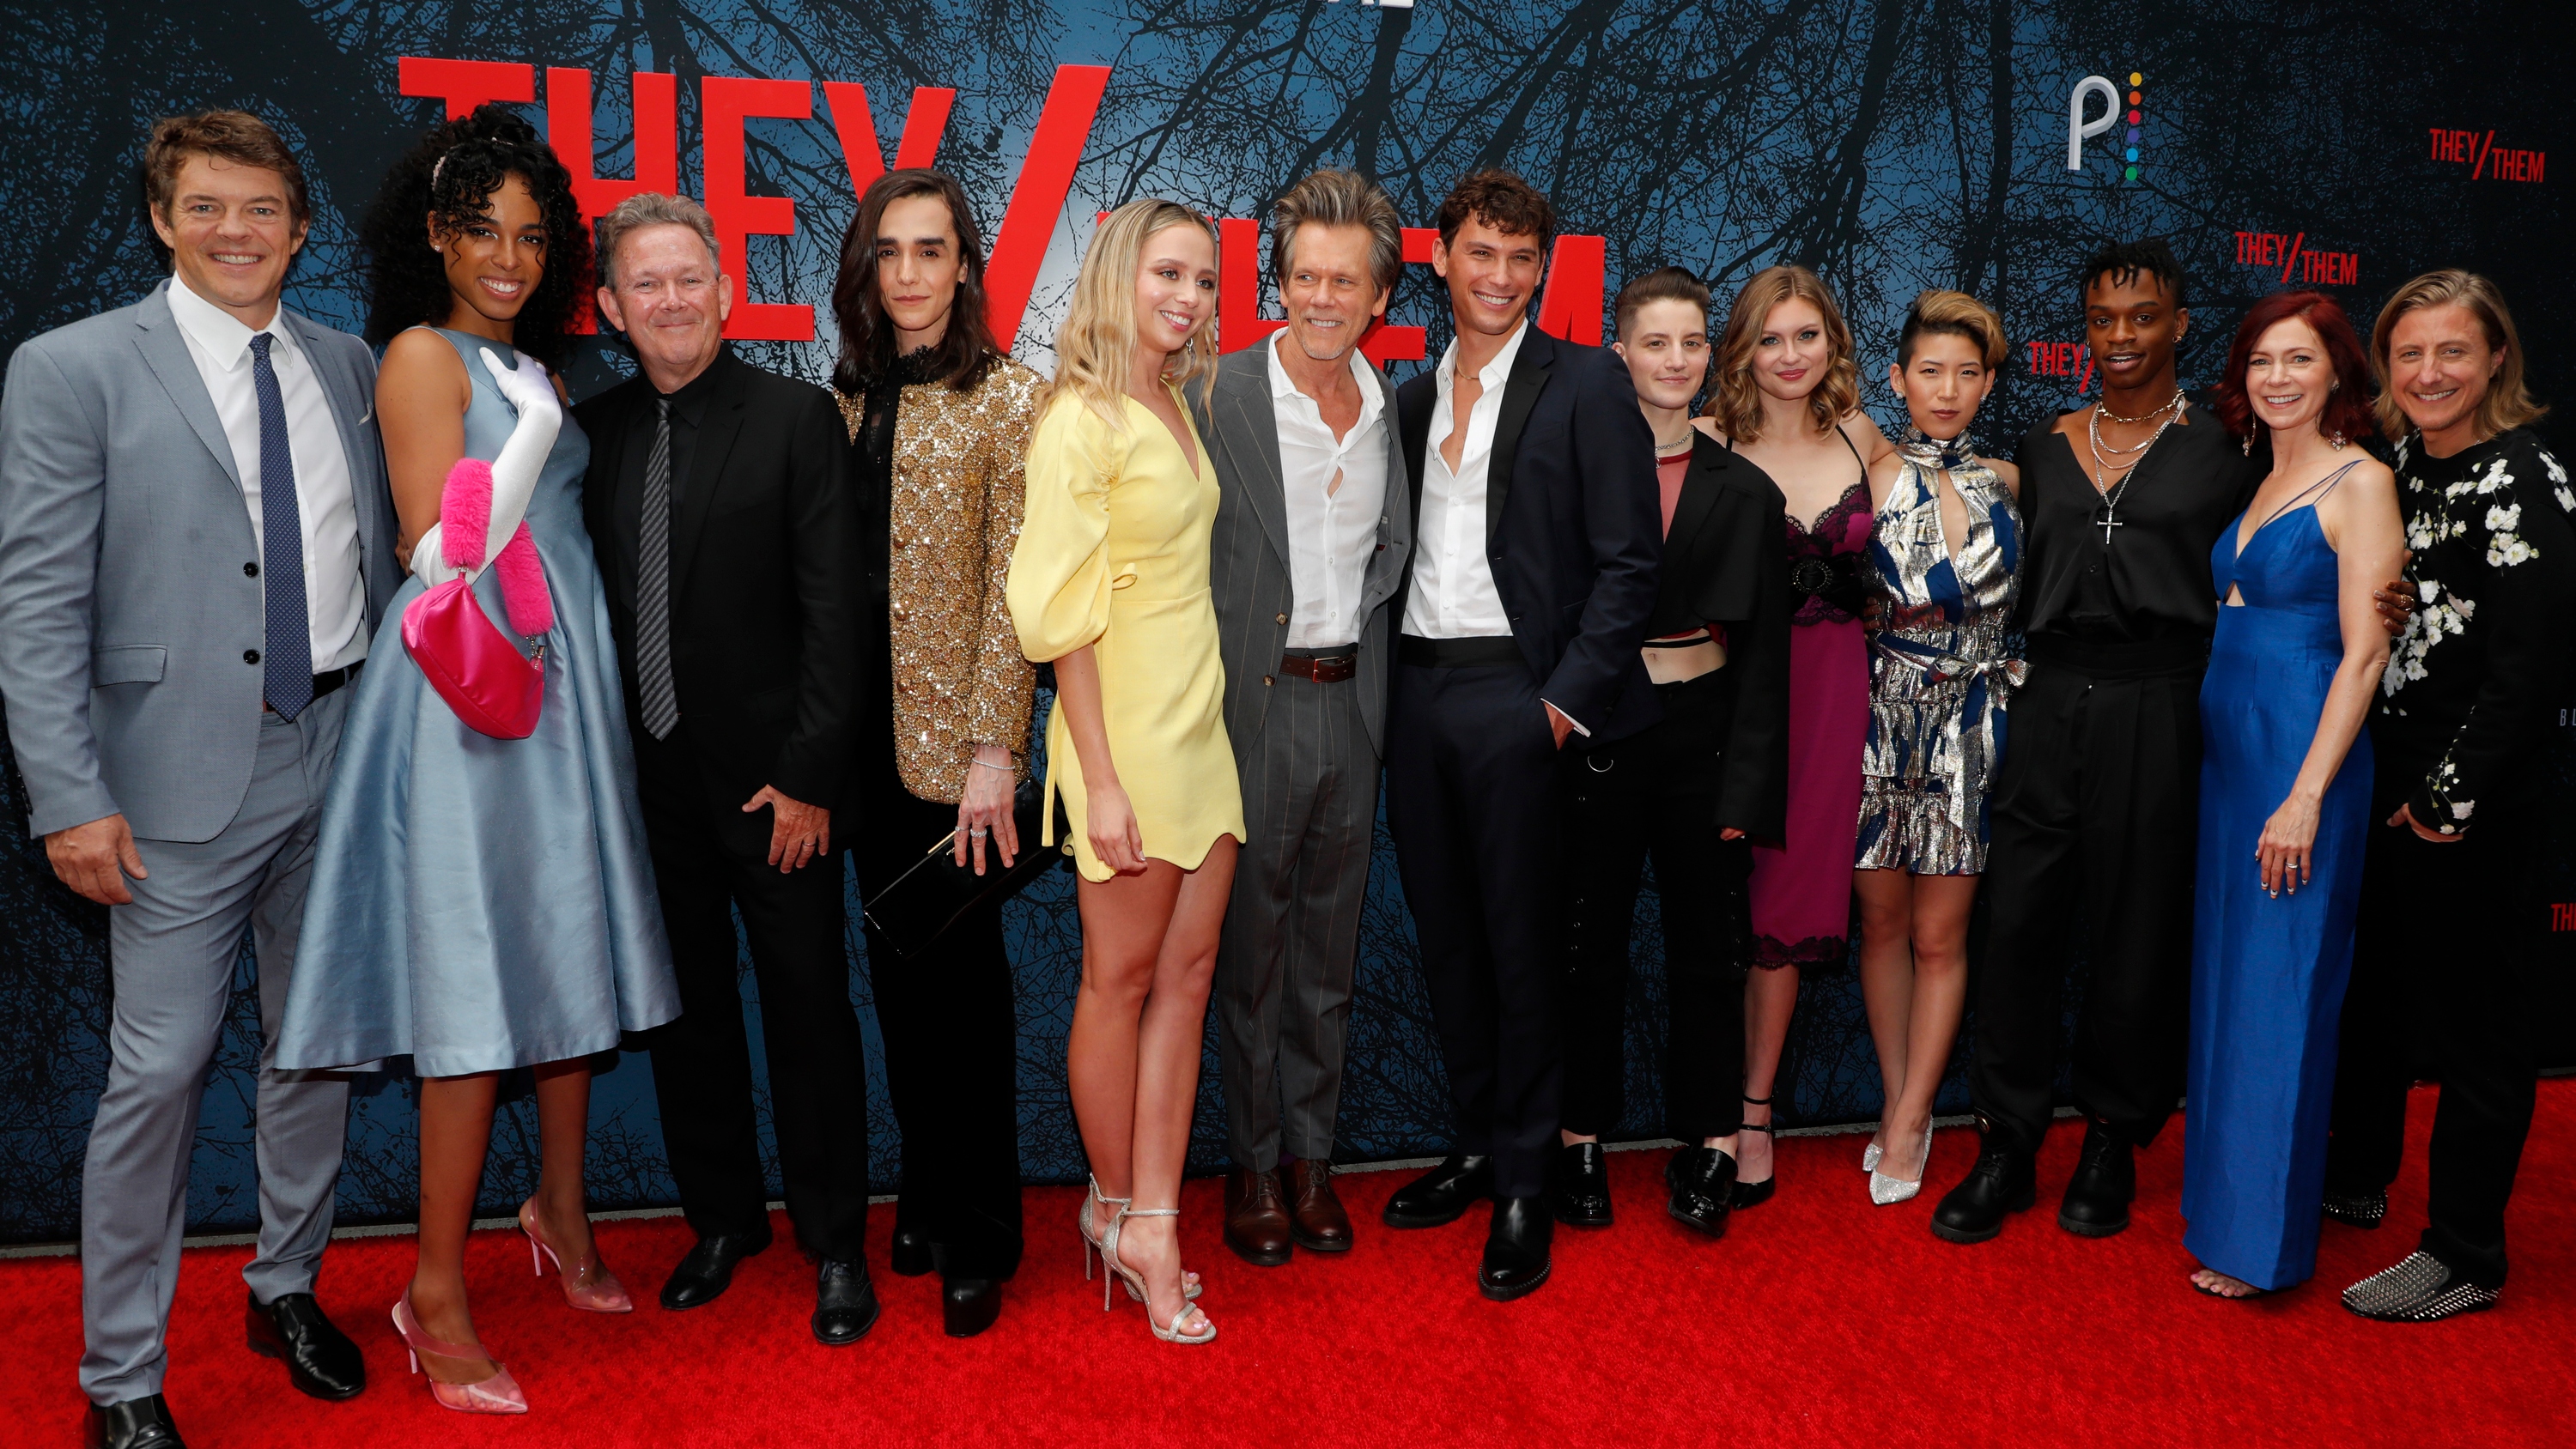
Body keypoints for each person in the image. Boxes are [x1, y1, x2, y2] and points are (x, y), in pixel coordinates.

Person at [274, 106, 678, 1413]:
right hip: (462, 703)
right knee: (471, 993)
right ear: (434, 238)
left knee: (564, 943)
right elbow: (437, 557)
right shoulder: (420, 358)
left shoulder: (538, 371)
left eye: (528, 234)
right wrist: (527, 445)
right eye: (480, 232)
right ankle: (431, 1291)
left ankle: (556, 1206)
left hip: (559, 698)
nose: (507, 257)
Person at [0, 109, 394, 1449]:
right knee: (156, 1075)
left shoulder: (346, 365)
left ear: (299, 224)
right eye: (209, 207)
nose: (239, 232)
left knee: (315, 1050)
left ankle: (283, 1285)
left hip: (337, 755)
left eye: (264, 208)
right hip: (165, 785)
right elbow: (38, 604)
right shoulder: (72, 369)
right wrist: (66, 795)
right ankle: (121, 1376)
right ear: (163, 220)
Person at [573, 193, 872, 1343]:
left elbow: (835, 616)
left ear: (726, 290)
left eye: (689, 277)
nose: (671, 301)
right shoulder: (590, 434)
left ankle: (835, 1244)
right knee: (685, 1014)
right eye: (645, 283)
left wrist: (808, 779)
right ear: (611, 306)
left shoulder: (797, 418)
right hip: (648, 788)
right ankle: (722, 1221)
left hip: (776, 790)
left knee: (807, 1010)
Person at [1931, 239, 2267, 1246]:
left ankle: (2116, 1134)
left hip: (2162, 699)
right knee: (2020, 923)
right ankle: (2006, 1140)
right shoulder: (2045, 441)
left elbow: (2307, 526)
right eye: (2103, 319)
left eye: (2143, 316)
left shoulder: (2227, 449)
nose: (2121, 336)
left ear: (2179, 323)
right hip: (2047, 695)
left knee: (2137, 928)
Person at [1377, 169, 1659, 1300]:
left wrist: (1559, 701)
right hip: (1418, 696)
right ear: (1438, 257)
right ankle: (1477, 1143)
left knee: (1524, 945)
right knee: (1448, 938)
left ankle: (1528, 1181)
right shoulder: (1404, 395)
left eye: (1520, 258)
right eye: (1479, 254)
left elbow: (1633, 563)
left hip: (1519, 697)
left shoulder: (1587, 383)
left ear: (1544, 270)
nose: (1499, 277)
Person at [1006, 197, 1243, 1345]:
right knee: (1119, 984)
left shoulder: (1176, 402)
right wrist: (1098, 781)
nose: (1188, 297)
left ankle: (1155, 1216)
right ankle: (1118, 1209)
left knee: (1186, 987)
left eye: (1202, 279)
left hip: (1202, 730)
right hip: (1128, 743)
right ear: (1117, 275)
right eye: (1167, 273)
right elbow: (1062, 623)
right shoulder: (1082, 420)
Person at [2328, 271, 2575, 1321]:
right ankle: (2357, 1170)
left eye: (2452, 353)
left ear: (2497, 361)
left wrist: (2448, 796)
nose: (2429, 373)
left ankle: (2465, 1250)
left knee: (2479, 1024)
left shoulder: (2530, 478)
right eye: (2409, 354)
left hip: (2474, 789)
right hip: (2384, 769)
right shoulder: (2396, 468)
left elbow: (2534, 669)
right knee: (2378, 988)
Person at [828, 167, 1040, 1337]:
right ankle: (920, 1191)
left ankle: (981, 1231)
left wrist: (992, 750)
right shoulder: (846, 399)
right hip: (861, 754)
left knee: (966, 1000)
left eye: (931, 251)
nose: (909, 274)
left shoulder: (1011, 400)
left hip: (955, 757)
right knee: (900, 992)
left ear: (963, 268)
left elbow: (1017, 594)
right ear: (868, 271)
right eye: (890, 253)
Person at [1193, 169, 1413, 1269]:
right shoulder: (1218, 394)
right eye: (1304, 276)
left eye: (1346, 280)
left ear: (1379, 296)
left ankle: (1314, 1165)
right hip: (1253, 711)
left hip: (1354, 712)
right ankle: (1250, 1163)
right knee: (1251, 959)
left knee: (1329, 959)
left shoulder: (1392, 410)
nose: (1322, 297)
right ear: (1279, 283)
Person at [1551, 266, 1787, 1238]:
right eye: (1656, 343)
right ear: (1621, 354)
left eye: (1693, 343)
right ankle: (1578, 1136)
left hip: (1700, 739)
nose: (1676, 360)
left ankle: (1713, 1140)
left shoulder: (1748, 491)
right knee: (1585, 946)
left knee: (1709, 949)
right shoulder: (1567, 470)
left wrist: (1747, 781)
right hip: (1596, 732)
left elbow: (1767, 660)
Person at [2178, 291, 2400, 1299]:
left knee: (2283, 988)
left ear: (2338, 372)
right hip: (2234, 760)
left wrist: (2306, 794)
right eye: (2263, 359)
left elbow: (2365, 655)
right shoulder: (2265, 476)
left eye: (2299, 359)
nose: (2277, 377)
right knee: (2233, 981)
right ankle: (2225, 1204)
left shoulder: (2361, 482)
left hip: (2299, 757)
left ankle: (2263, 1244)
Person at [1698, 265, 1893, 1207]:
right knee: (1711, 909)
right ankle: (1704, 1109)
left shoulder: (1863, 437)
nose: (1788, 356)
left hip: (1835, 696)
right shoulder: (1706, 439)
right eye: (1769, 338)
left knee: (1787, 900)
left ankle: (1755, 1107)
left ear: (1833, 344)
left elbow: (1959, 488)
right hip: (1731, 696)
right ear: (1741, 348)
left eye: (1806, 336)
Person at [1853, 290, 2022, 1206]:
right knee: (1879, 925)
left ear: (1989, 381)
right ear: (1898, 379)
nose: (1947, 389)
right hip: (1880, 716)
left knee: (1937, 934)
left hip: (1974, 722)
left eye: (1966, 372)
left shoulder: (2016, 478)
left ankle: (1915, 1116)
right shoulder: (1873, 470)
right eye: (1929, 371)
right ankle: (1895, 1099)